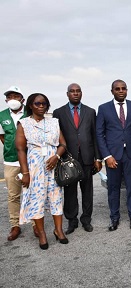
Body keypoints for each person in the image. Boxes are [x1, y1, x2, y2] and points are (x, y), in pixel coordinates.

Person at [15, 93, 68, 250]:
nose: (41, 106)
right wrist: (25, 173)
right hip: (35, 167)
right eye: (37, 103)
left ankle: (58, 230)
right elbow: (20, 149)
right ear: (30, 105)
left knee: (56, 197)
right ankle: (42, 233)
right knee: (37, 199)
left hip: (53, 166)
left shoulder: (54, 122)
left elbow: (63, 144)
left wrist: (56, 156)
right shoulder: (24, 123)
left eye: (44, 103)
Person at [52, 83, 102, 234]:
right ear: (67, 94)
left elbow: (95, 136)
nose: (75, 93)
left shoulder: (90, 111)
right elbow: (56, 138)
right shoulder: (58, 112)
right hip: (68, 159)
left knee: (87, 191)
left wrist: (98, 158)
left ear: (81, 93)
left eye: (78, 91)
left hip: (87, 158)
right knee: (70, 192)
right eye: (72, 91)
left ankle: (86, 220)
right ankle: (71, 221)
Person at [96, 79, 131, 231]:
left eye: (123, 88)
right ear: (112, 91)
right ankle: (114, 218)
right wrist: (106, 156)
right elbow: (99, 133)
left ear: (127, 90)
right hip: (113, 156)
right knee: (113, 188)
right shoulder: (103, 108)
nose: (121, 91)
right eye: (117, 89)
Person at [0, 86, 39, 240]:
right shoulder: (2, 115)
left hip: (30, 160)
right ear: (6, 100)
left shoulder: (30, 113)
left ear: (23, 99)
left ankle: (36, 224)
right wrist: (13, 147)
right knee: (13, 195)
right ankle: (15, 225)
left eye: (16, 96)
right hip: (11, 161)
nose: (13, 99)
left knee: (32, 193)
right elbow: (2, 136)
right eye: (10, 97)